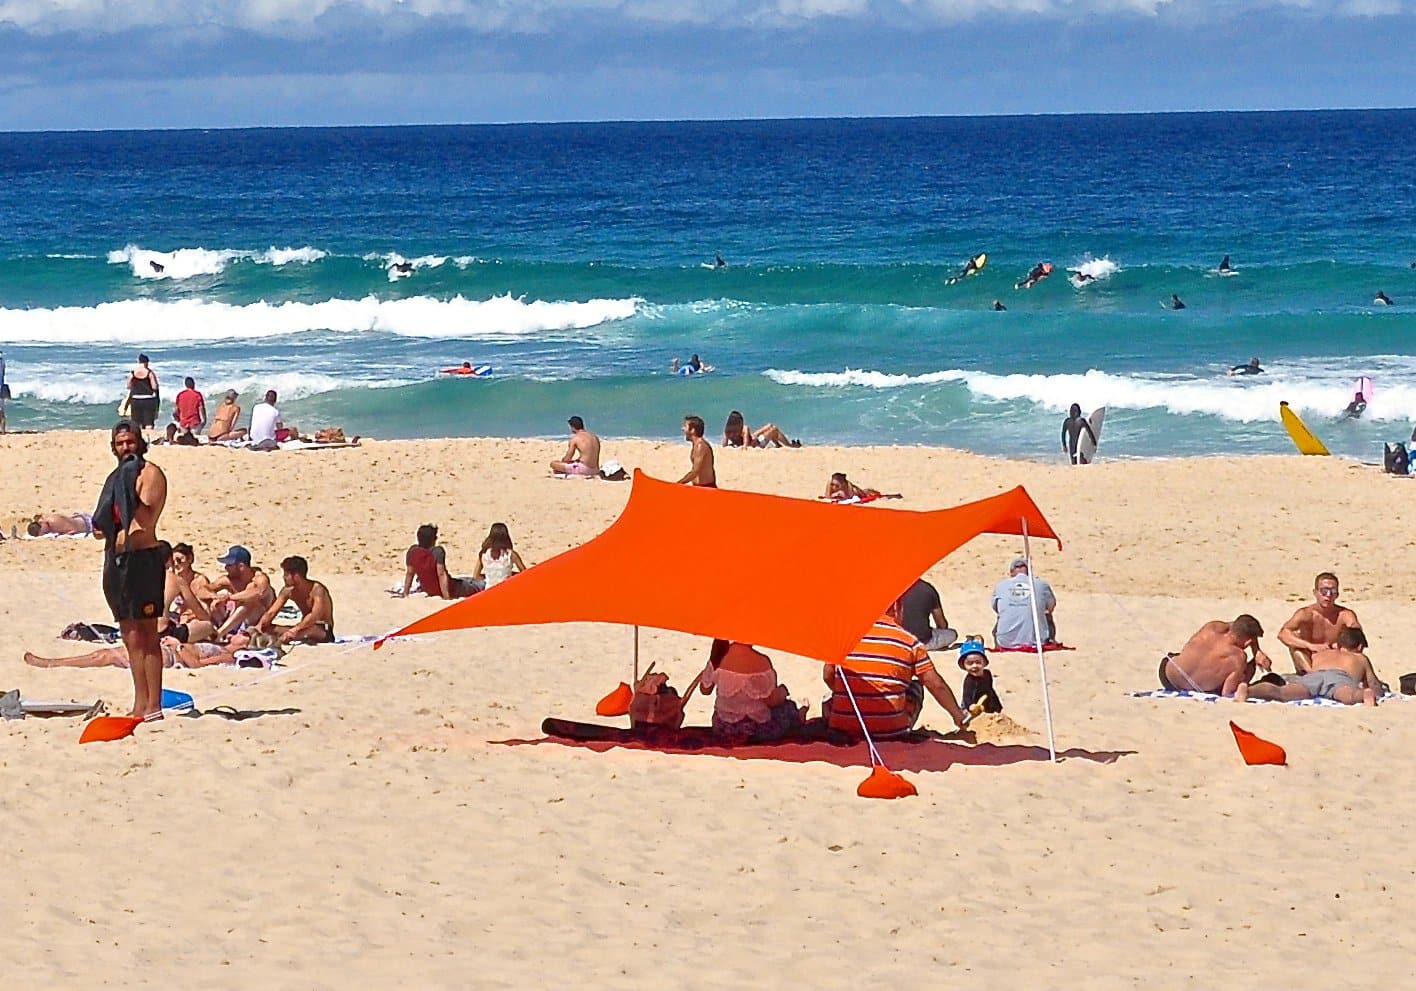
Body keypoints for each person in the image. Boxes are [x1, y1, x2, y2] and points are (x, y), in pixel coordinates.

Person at [93, 420, 169, 718]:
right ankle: (140, 702)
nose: (126, 448)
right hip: (116, 561)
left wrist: (130, 489)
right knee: (130, 636)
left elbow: (146, 520)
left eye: (130, 442)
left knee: (148, 634)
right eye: (120, 443)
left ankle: (154, 705)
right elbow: (101, 528)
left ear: (140, 442)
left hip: (143, 560)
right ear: (114, 447)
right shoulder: (115, 480)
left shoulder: (150, 475)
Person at [822, 596, 967, 739]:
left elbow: (828, 675)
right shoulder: (909, 642)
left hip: (843, 730)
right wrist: (957, 715)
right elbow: (936, 685)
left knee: (831, 696)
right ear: (897, 608)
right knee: (916, 687)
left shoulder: (845, 636)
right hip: (890, 732)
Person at [1236, 627, 1379, 706]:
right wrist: (1374, 691)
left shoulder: (1322, 653)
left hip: (1314, 676)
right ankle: (1364, 696)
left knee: (1281, 692)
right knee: (1349, 695)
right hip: (1339, 677)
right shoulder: (1359, 658)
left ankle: (1248, 690)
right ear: (1359, 646)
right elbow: (1372, 683)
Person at [697, 639, 805, 741]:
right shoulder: (762, 661)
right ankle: (800, 718)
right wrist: (782, 692)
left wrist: (713, 658)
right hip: (758, 729)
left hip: (724, 727)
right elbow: (771, 701)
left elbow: (705, 690)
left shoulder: (718, 659)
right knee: (788, 707)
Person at [25, 631, 258, 671]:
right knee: (105, 653)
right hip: (163, 649)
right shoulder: (219, 643)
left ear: (245, 644)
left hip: (167, 655)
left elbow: (196, 664)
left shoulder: (228, 655)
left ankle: (52, 663)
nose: (238, 633)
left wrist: (178, 645)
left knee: (105, 657)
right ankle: (54, 662)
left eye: (244, 634)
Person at [1158, 614, 1271, 695]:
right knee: (1242, 673)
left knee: (1188, 655)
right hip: (1198, 688)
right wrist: (1253, 664)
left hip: (1167, 676)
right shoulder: (1238, 658)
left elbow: (1239, 625)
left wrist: (1256, 650)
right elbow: (1227, 692)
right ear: (1248, 642)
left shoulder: (1212, 627)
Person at [1277, 572, 1362, 674]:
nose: (1328, 595)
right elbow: (1283, 634)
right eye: (1324, 591)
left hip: (1337, 661)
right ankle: (1312, 676)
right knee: (1296, 644)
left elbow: (1358, 636)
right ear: (1315, 592)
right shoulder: (1305, 614)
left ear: (1337, 594)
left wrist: (1341, 644)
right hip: (1311, 662)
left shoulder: (1345, 615)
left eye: (1333, 591)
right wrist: (1310, 646)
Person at [258, 556, 336, 644]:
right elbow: (272, 612)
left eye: (286, 575)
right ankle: (289, 636)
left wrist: (294, 630)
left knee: (311, 629)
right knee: (268, 629)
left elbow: (315, 616)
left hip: (322, 629)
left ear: (296, 576)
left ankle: (287, 637)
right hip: (302, 628)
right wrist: (260, 626)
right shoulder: (288, 590)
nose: (283, 577)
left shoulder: (317, 590)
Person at [204, 545, 275, 640]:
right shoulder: (229, 580)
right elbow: (205, 589)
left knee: (249, 601)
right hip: (234, 620)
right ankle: (213, 630)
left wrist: (230, 598)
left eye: (229, 565)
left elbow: (258, 593)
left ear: (241, 566)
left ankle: (218, 634)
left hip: (256, 621)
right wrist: (214, 597)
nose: (225, 568)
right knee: (208, 602)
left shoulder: (259, 579)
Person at [991, 556, 1057, 648]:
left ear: (1011, 572)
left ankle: (1004, 641)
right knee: (1046, 614)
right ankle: (1049, 639)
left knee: (1003, 613)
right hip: (1037, 641)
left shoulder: (1001, 585)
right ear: (1029, 571)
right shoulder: (1041, 584)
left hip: (1005, 642)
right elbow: (1050, 607)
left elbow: (996, 608)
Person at [402, 523, 476, 599]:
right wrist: (446, 597)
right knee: (478, 585)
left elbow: (410, 573)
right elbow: (441, 574)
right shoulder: (437, 552)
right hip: (452, 588)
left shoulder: (412, 551)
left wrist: (405, 593)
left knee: (467, 579)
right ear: (433, 539)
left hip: (428, 588)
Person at [162, 541, 215, 644]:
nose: (176, 564)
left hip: (190, 618)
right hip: (173, 624)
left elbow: (203, 608)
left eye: (179, 560)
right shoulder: (176, 580)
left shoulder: (199, 580)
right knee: (207, 627)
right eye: (174, 561)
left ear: (190, 559)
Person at [898, 577, 957, 651]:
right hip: (923, 642)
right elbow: (941, 622)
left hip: (899, 639)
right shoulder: (928, 589)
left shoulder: (895, 588)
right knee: (952, 634)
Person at [471, 523, 527, 590]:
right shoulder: (510, 554)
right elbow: (525, 573)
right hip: (506, 590)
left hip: (489, 590)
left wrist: (489, 577)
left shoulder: (483, 554)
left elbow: (476, 576)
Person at [957, 638, 1003, 714]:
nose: (974, 666)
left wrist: (998, 707)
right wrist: (970, 706)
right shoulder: (969, 681)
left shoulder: (987, 674)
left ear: (984, 663)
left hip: (985, 701)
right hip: (971, 704)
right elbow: (967, 697)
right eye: (970, 663)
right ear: (964, 666)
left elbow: (990, 690)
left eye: (978, 662)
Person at [722, 410, 800, 449]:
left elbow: (724, 446)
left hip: (753, 441)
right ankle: (789, 445)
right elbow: (746, 446)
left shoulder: (727, 431)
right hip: (757, 444)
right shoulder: (744, 429)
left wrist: (734, 446)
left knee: (770, 425)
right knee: (773, 429)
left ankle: (778, 445)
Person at [677, 415, 716, 487]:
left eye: (685, 426)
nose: (682, 429)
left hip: (706, 488)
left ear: (692, 430)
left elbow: (695, 472)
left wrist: (678, 484)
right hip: (699, 487)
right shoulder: (697, 444)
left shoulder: (700, 446)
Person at [166, 376, 207, 443]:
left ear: (185, 385)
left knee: (171, 425)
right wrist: (204, 422)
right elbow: (202, 409)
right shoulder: (197, 395)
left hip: (183, 425)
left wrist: (178, 420)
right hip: (195, 425)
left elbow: (175, 412)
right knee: (195, 433)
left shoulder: (180, 395)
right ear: (193, 384)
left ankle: (170, 439)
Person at [125, 354, 160, 432]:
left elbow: (128, 386)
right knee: (148, 423)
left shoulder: (133, 373)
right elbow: (154, 386)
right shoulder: (149, 373)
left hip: (135, 399)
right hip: (148, 399)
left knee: (136, 423)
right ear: (146, 362)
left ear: (138, 361)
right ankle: (148, 438)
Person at [823, 472, 898, 502]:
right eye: (832, 484)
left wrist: (839, 494)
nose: (833, 487)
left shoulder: (848, 485)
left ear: (843, 484)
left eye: (837, 485)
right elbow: (827, 496)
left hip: (859, 493)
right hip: (853, 492)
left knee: (870, 494)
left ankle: (894, 496)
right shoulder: (830, 483)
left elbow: (849, 497)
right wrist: (833, 494)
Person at [27, 511, 94, 536]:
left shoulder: (55, 524)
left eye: (44, 532)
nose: (46, 533)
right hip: (83, 518)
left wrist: (63, 534)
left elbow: (73, 529)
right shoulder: (46, 519)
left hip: (89, 524)